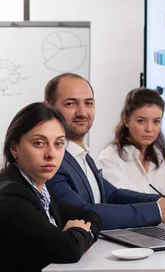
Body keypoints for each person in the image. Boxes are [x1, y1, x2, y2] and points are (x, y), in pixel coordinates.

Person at [45, 73, 165, 230]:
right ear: (48, 107)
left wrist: (164, 200)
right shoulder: (51, 160)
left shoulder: (82, 156)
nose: (82, 112)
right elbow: (83, 212)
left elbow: (112, 195)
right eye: (70, 104)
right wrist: (157, 210)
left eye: (88, 103)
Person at [0, 102, 101, 271]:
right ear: (14, 148)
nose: (51, 154)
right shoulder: (11, 196)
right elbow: (68, 249)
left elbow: (92, 216)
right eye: (39, 143)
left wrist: (77, 233)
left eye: (59, 143)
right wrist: (80, 233)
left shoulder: (40, 188)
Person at [97, 88, 165, 195]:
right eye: (141, 121)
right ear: (126, 120)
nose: (149, 129)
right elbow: (120, 202)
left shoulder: (164, 160)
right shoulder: (110, 159)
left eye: (156, 121)